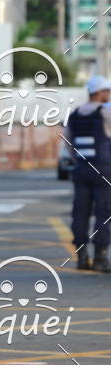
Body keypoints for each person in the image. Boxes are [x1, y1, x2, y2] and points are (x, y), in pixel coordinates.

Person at [66, 75, 111, 272]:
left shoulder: (75, 114)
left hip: (81, 169)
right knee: (104, 212)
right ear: (100, 92)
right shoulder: (106, 113)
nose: (109, 94)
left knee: (80, 211)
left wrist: (79, 162)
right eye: (107, 91)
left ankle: (82, 257)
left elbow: (68, 144)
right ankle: (100, 257)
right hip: (103, 168)